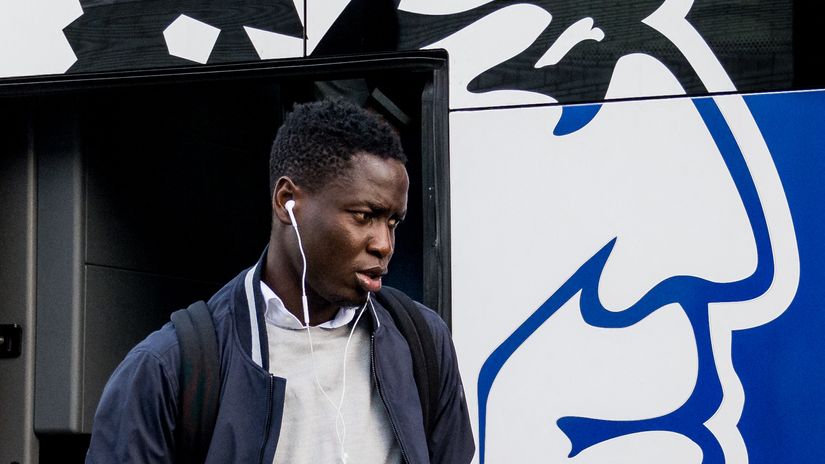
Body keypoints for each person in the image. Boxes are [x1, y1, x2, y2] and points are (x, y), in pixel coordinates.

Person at [85, 99, 475, 463]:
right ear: (287, 200)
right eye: (364, 216)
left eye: (393, 222)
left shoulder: (421, 341)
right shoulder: (169, 368)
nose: (384, 244)